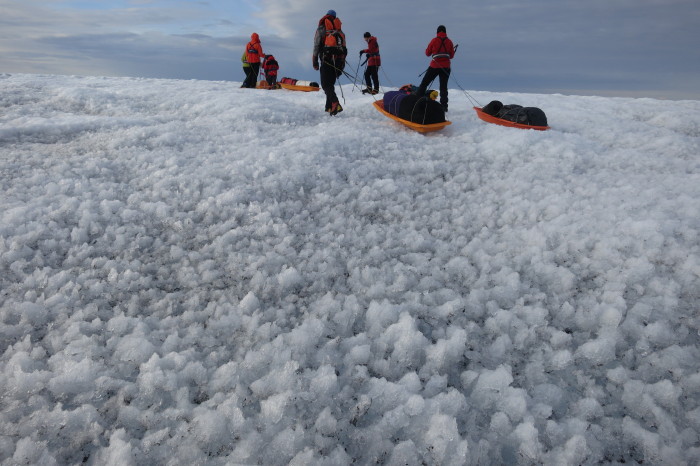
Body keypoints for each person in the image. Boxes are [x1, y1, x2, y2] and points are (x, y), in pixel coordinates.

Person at [313, 9, 347, 115]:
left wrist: (314, 60)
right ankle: (329, 107)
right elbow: (344, 49)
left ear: (326, 16)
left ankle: (334, 102)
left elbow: (317, 45)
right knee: (330, 84)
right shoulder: (340, 31)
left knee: (325, 84)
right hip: (337, 61)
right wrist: (342, 65)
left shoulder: (321, 29)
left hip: (326, 59)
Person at [417, 25, 455, 112]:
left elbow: (427, 53)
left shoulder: (434, 40)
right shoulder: (449, 42)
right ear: (445, 32)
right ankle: (444, 107)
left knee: (424, 83)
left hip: (434, 66)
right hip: (446, 67)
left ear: (437, 32)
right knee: (443, 87)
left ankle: (416, 101)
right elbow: (451, 56)